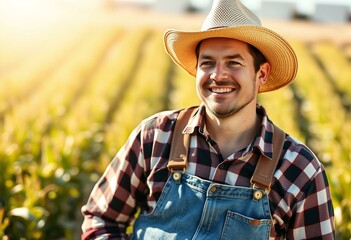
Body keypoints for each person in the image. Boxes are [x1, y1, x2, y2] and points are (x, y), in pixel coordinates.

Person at [81, 0, 335, 239]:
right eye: (207, 63)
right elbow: (102, 219)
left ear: (262, 73)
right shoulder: (155, 136)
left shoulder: (300, 170)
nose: (218, 75)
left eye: (234, 63)